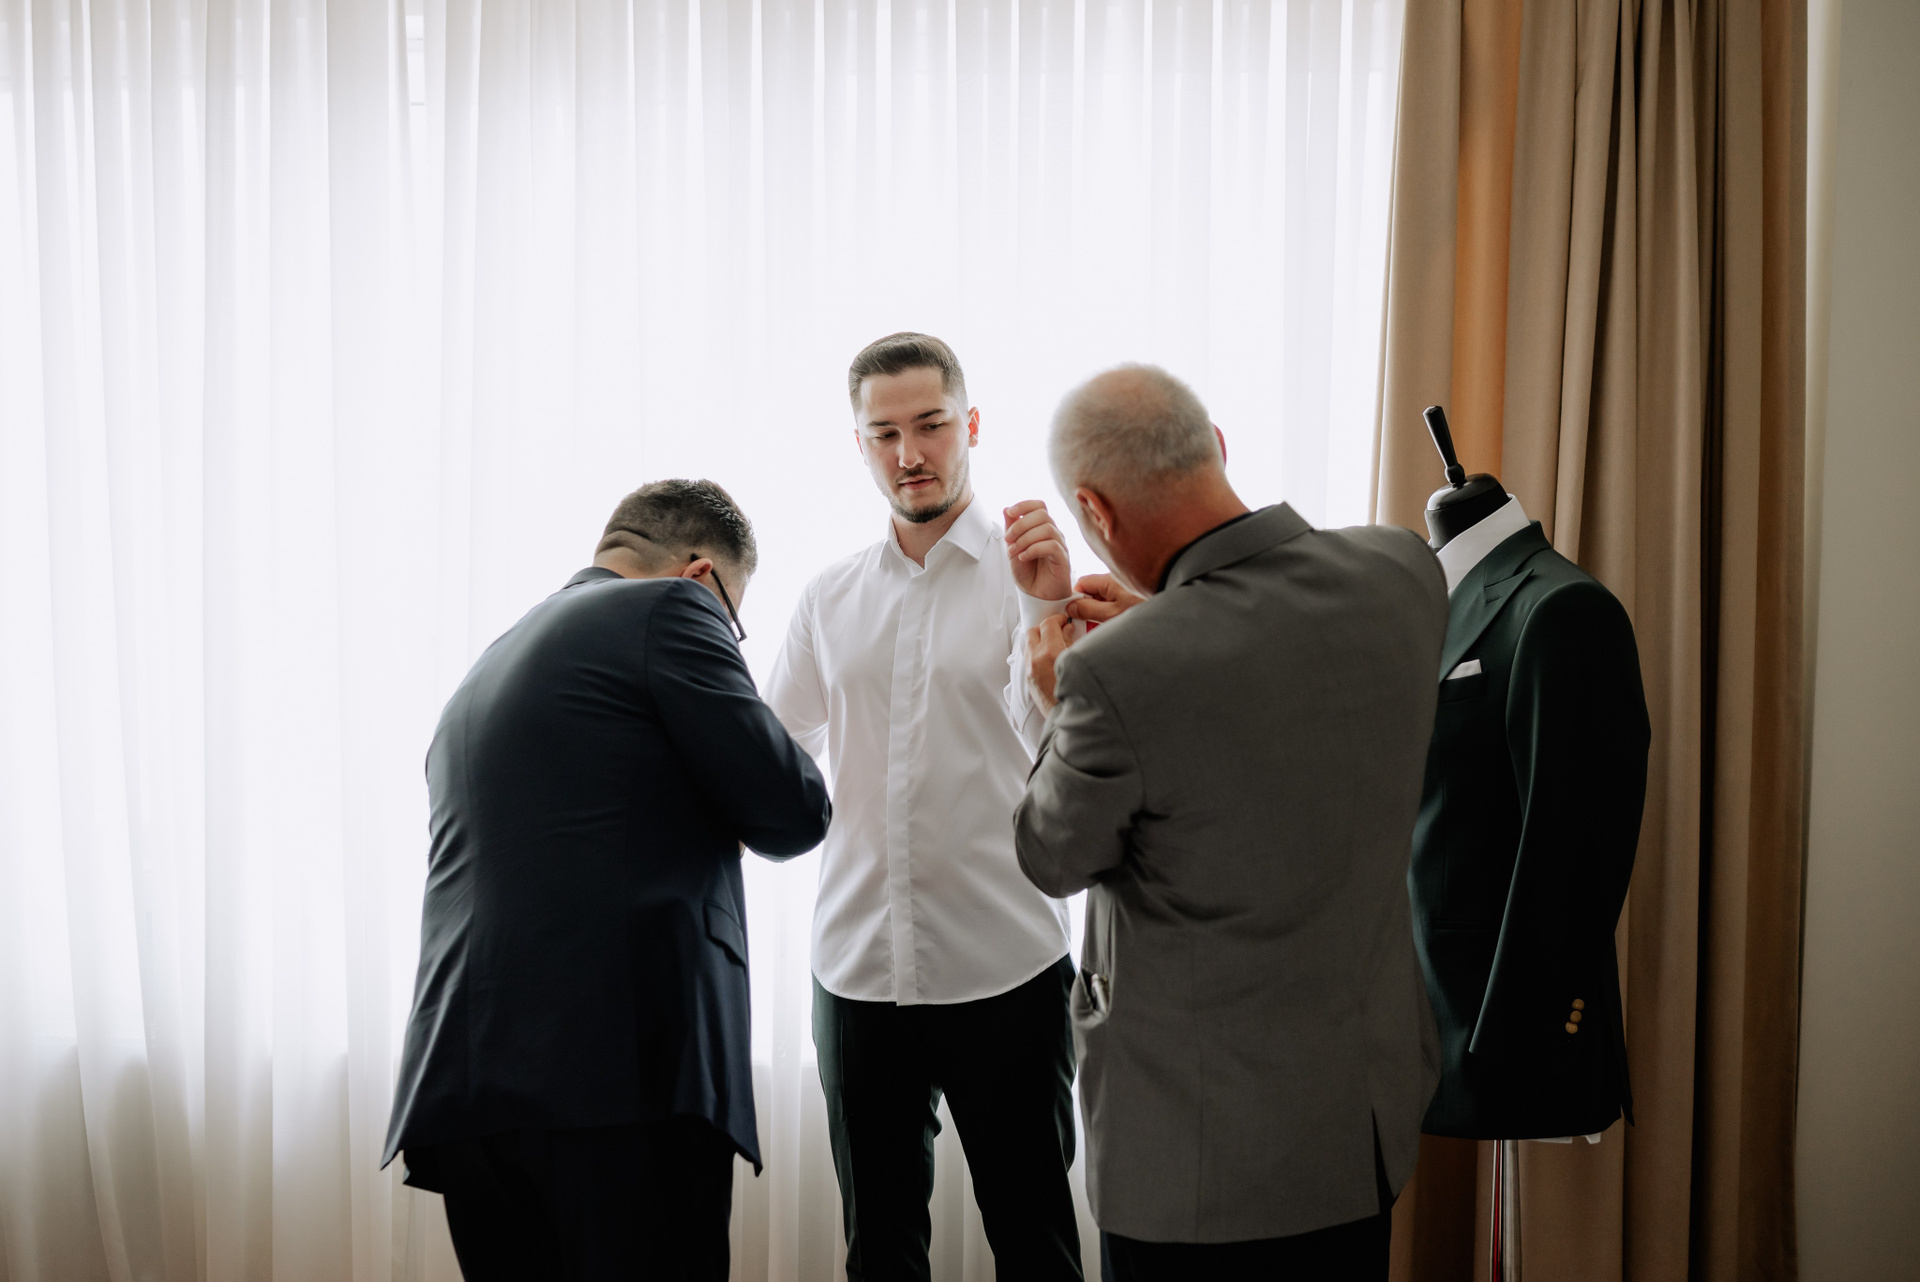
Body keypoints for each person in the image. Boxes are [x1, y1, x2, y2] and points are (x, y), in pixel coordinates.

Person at [1014, 366, 1449, 1281]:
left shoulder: (1113, 675)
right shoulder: (1404, 570)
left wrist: (1057, 704)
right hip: (1361, 1126)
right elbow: (1270, 680)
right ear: (1216, 446)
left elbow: (1054, 855)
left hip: (1196, 1164)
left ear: (1094, 510)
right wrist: (1163, 623)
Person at [382, 480, 831, 1282]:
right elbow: (793, 810)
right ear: (701, 575)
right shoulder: (671, 608)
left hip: (468, 1089)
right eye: (734, 618)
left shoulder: (486, 668)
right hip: (620, 1078)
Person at [766, 333, 1085, 1281]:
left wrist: (1047, 610)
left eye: (931, 425)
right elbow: (775, 756)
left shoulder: (1033, 579)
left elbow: (1065, 753)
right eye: (886, 433)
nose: (910, 453)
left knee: (1036, 1244)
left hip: (1007, 966)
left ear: (971, 425)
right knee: (880, 1253)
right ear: (861, 444)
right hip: (858, 973)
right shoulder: (828, 599)